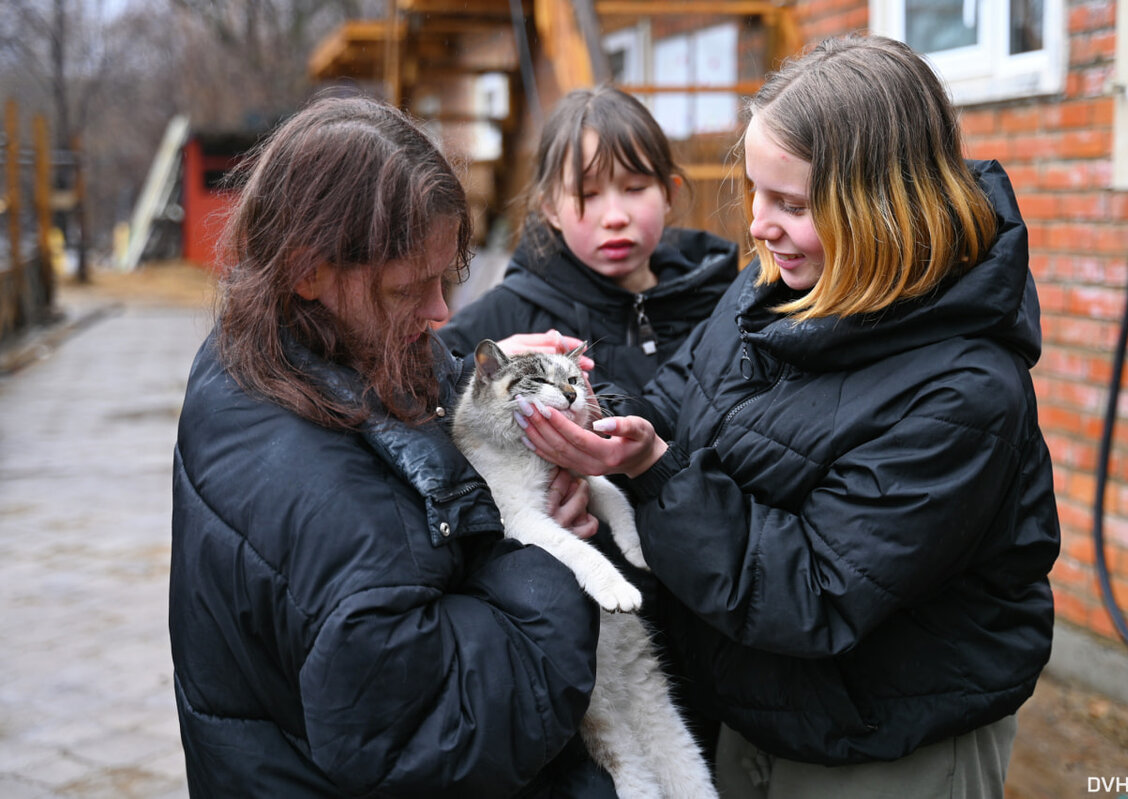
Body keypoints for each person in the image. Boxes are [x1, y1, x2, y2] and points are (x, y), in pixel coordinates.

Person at [516, 34, 1060, 799]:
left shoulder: (963, 393)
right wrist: (595, 430)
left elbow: (815, 590)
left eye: (793, 204)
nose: (759, 227)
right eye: (756, 194)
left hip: (885, 745)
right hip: (761, 713)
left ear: (881, 205)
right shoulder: (776, 284)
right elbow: (675, 398)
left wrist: (654, 470)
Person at [169, 94, 618, 797]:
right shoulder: (327, 505)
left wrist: (481, 377)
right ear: (308, 269)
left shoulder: (255, 354)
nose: (441, 311)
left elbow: (381, 419)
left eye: (448, 279)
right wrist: (547, 555)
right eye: (410, 288)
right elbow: (446, 731)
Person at [437, 85, 740, 395]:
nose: (614, 217)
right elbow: (418, 385)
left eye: (634, 188)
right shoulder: (510, 315)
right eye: (588, 194)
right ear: (551, 209)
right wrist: (481, 376)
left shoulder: (721, 302)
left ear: (669, 194)